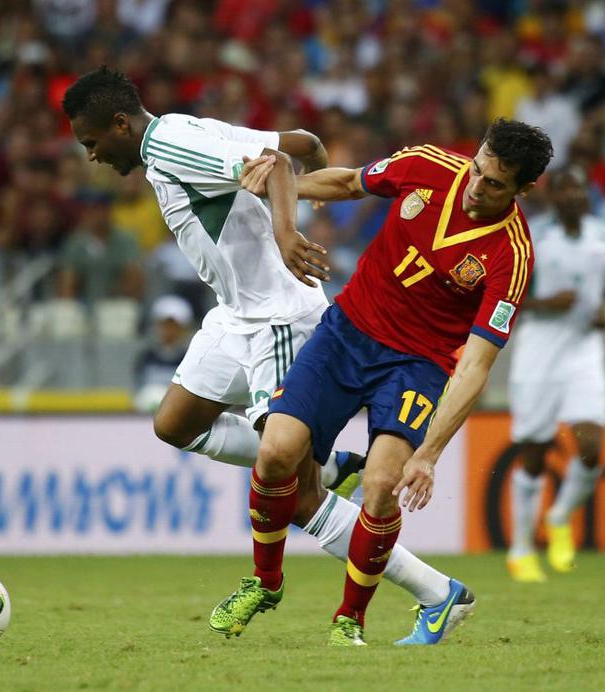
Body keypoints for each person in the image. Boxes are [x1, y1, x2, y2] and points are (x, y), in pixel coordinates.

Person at [62, 66, 472, 644]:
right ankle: (333, 467)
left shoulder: (173, 142)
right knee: (174, 423)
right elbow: (300, 143)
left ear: (121, 124)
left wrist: (285, 232)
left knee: (298, 496)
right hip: (234, 316)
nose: (91, 155)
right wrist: (314, 174)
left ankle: (434, 591)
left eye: (92, 141)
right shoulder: (184, 130)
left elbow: (278, 164)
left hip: (277, 317)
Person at [218, 118, 553, 645]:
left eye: (494, 184)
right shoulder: (426, 165)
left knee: (379, 486)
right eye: (477, 168)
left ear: (523, 189)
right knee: (276, 450)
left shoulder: (511, 256)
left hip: (416, 365)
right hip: (345, 334)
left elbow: (475, 366)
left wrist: (429, 455)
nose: (476, 186)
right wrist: (283, 187)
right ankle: (265, 581)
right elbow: (351, 182)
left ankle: (349, 619)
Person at [506, 166, 605, 582]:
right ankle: (521, 548)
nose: (574, 195)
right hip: (539, 349)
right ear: (551, 197)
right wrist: (545, 303)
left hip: (583, 349)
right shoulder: (532, 236)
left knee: (591, 444)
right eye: (565, 189)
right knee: (534, 453)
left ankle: (558, 516)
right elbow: (508, 295)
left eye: (580, 188)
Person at [133, 294, 194, 414]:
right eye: (165, 325)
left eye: (174, 326)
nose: (169, 330)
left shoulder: (191, 359)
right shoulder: (145, 357)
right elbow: (137, 388)